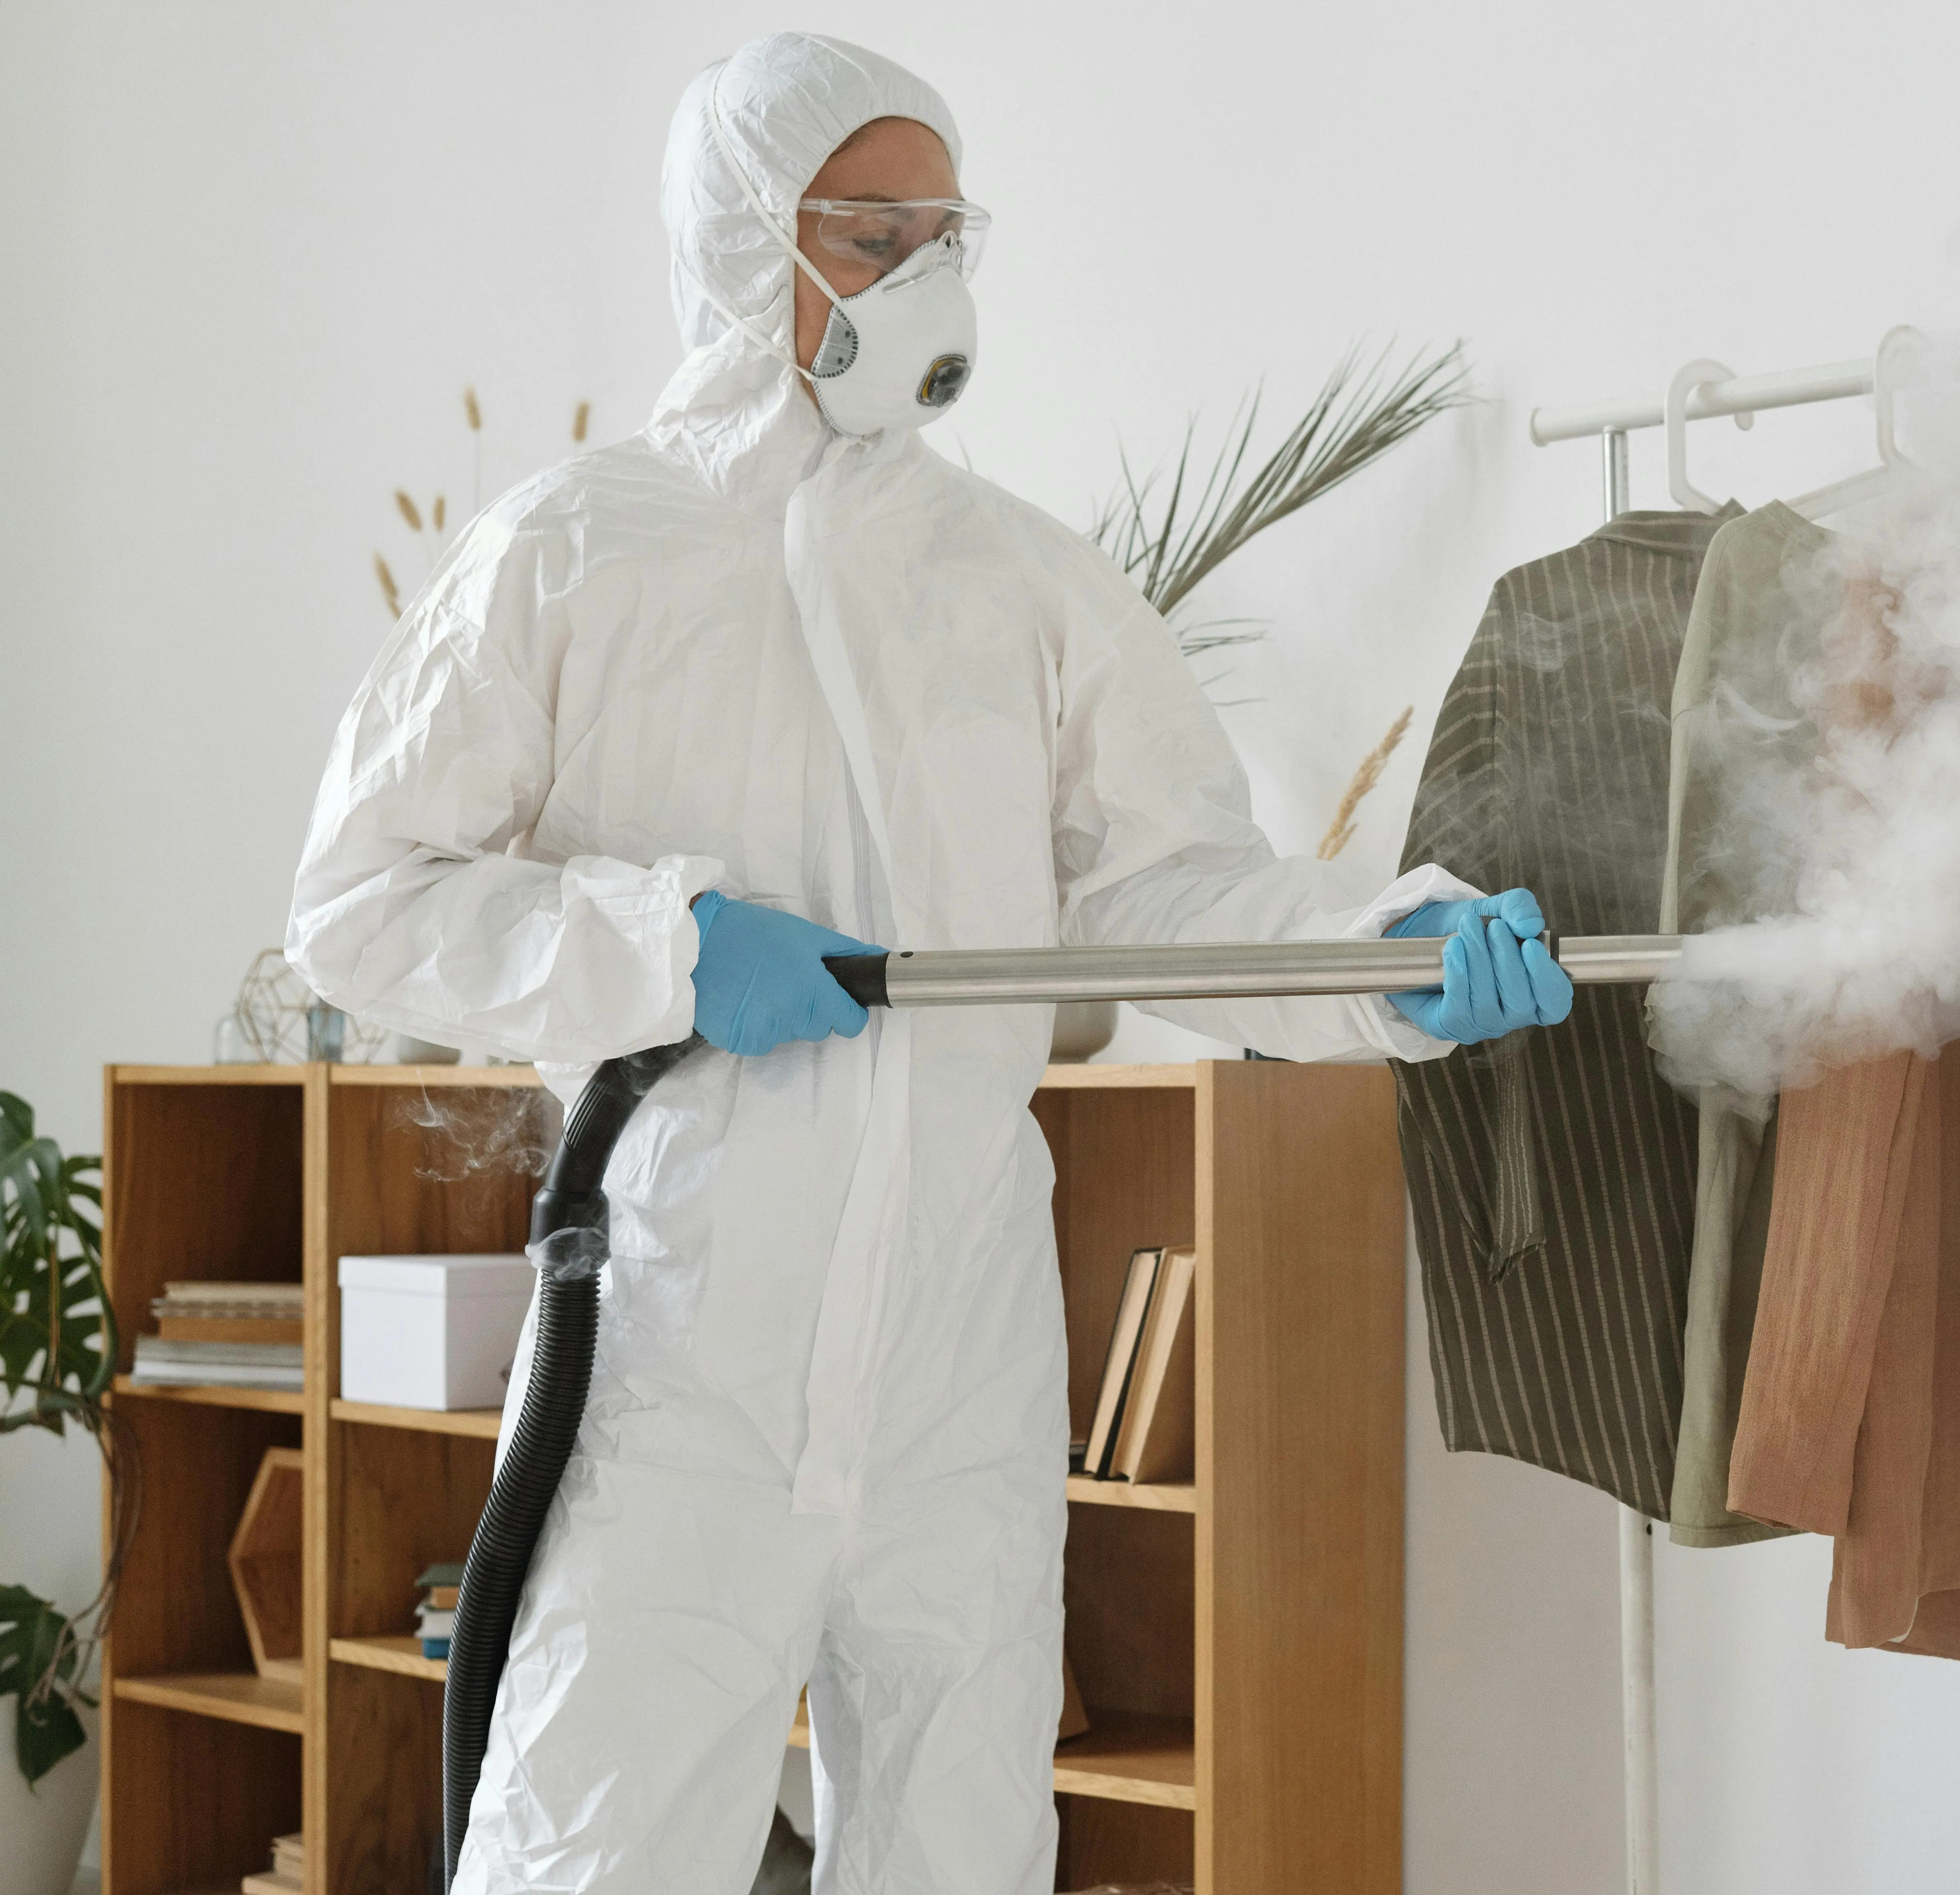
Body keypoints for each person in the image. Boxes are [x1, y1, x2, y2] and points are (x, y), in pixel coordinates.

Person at [287, 32, 1567, 1894]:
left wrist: (1383, 955)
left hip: (960, 1344)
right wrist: (666, 945)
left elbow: (1156, 895)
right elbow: (362, 893)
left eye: (943, 228)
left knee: (961, 1840)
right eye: (870, 230)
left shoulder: (1023, 582)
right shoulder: (570, 553)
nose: (925, 275)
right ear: (747, 246)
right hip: (683, 1344)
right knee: (595, 1843)